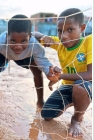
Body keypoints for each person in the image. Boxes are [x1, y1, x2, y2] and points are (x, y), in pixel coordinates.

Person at [0, 14, 61, 109]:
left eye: (23, 41)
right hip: (4, 54)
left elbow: (43, 61)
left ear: (30, 37)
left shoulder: (34, 44)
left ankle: (40, 100)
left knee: (37, 71)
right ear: (7, 36)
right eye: (13, 41)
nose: (18, 46)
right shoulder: (1, 41)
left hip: (25, 55)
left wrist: (49, 72)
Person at [33, 8, 92, 138]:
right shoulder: (60, 43)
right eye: (60, 31)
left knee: (80, 86)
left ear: (82, 28)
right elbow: (33, 33)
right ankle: (73, 100)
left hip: (87, 86)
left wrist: (59, 77)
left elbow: (90, 75)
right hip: (68, 86)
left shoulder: (89, 42)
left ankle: (77, 119)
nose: (64, 35)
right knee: (47, 114)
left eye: (70, 30)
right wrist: (44, 37)